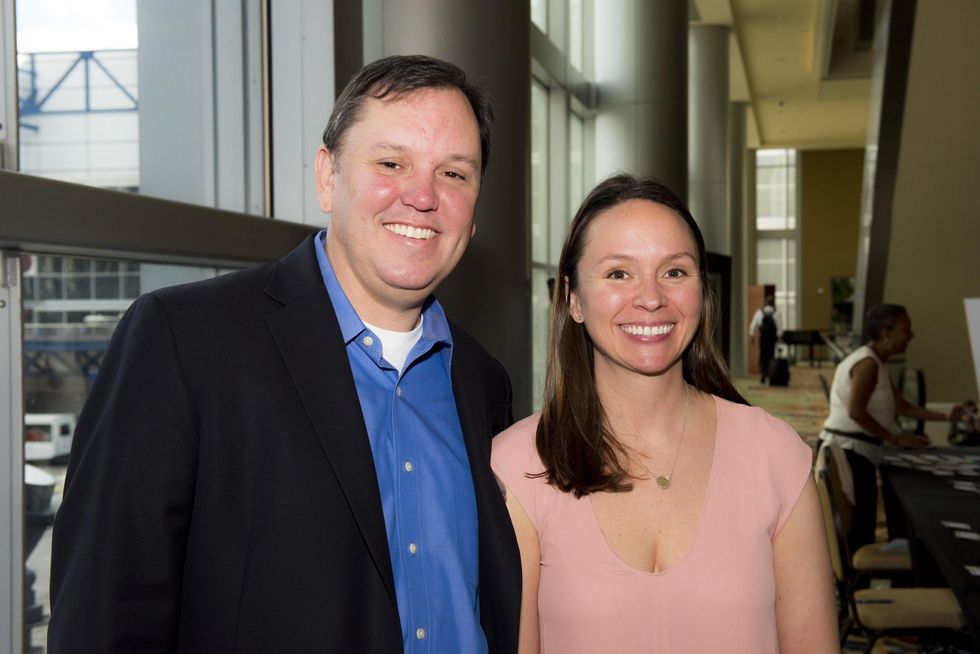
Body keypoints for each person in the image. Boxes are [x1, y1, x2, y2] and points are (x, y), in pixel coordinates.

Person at [48, 55, 520, 653]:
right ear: (328, 177)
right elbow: (102, 619)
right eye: (391, 163)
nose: (422, 196)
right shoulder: (185, 341)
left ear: (475, 209)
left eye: (454, 174)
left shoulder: (482, 383)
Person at [491, 175, 838, 653]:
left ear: (701, 289)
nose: (651, 298)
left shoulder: (775, 455)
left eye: (674, 272)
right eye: (618, 273)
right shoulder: (517, 466)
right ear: (572, 299)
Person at [819, 303, 964, 555]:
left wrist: (949, 415)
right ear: (886, 332)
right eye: (905, 330)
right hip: (850, 452)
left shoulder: (876, 361)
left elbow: (904, 406)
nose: (911, 336)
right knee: (858, 528)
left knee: (862, 524)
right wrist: (894, 439)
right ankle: (858, 586)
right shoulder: (868, 364)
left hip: (858, 451)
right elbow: (856, 411)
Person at [749, 295, 779, 383]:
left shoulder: (759, 312)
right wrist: (779, 336)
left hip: (763, 337)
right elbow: (779, 326)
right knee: (771, 355)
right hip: (772, 338)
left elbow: (753, 325)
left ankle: (763, 372)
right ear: (773, 303)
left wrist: (752, 335)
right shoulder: (776, 313)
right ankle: (771, 373)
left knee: (763, 355)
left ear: (765, 303)